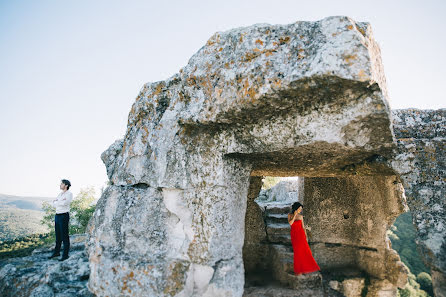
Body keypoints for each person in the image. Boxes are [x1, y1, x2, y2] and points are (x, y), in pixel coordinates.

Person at [287, 202, 320, 275]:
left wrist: (306, 237)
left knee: (304, 252)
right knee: (297, 253)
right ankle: (298, 270)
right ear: (295, 208)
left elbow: (303, 227)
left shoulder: (301, 217)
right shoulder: (290, 215)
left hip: (301, 235)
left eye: (301, 209)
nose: (300, 210)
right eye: (299, 209)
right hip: (294, 236)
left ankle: (303, 269)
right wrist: (295, 215)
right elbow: (290, 223)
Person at [48, 179, 73, 261]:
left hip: (64, 215)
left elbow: (64, 203)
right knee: (58, 235)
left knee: (64, 235)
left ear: (66, 185)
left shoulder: (69, 194)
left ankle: (65, 255)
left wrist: (57, 202)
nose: (60, 185)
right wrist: (59, 202)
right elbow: (53, 204)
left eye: (61, 184)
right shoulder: (60, 194)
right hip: (57, 215)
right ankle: (56, 252)